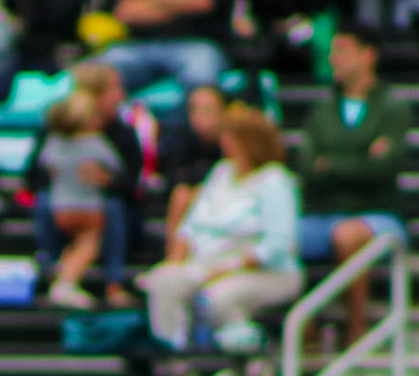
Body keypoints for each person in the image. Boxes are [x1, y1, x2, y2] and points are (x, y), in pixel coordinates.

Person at [139, 102, 300, 354]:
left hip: (266, 272)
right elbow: (191, 225)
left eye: (230, 136)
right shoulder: (221, 173)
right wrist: (177, 262)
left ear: (249, 142)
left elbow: (277, 245)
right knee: (163, 281)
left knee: (219, 296)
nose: (223, 141)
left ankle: (250, 356)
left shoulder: (275, 180)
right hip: (207, 265)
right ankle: (173, 357)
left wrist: (229, 267)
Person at [296, 26, 411, 345]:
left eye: (343, 50)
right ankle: (306, 332)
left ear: (368, 55)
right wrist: (361, 158)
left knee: (347, 234)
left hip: (378, 212)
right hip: (325, 211)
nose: (335, 58)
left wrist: (331, 163)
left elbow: (384, 168)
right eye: (333, 51)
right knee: (281, 235)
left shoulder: (393, 109)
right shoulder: (320, 112)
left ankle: (355, 329)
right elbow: (307, 168)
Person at [31, 90, 125, 310]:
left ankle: (62, 280)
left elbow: (46, 165)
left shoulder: (54, 142)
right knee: (88, 245)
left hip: (60, 207)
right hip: (88, 207)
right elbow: (115, 166)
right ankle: (66, 285)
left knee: (72, 247)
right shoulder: (96, 143)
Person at [92, 0, 230, 98]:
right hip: (138, 45)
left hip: (195, 43)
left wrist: (151, 4)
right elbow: (126, 13)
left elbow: (202, 4)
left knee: (201, 74)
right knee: (94, 73)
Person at [162, 82, 225, 246]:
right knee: (181, 195)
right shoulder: (183, 142)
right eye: (194, 110)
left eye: (207, 111)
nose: (199, 117)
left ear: (223, 112)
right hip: (193, 203)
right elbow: (174, 179)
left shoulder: (230, 145)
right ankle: (173, 255)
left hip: (228, 200)